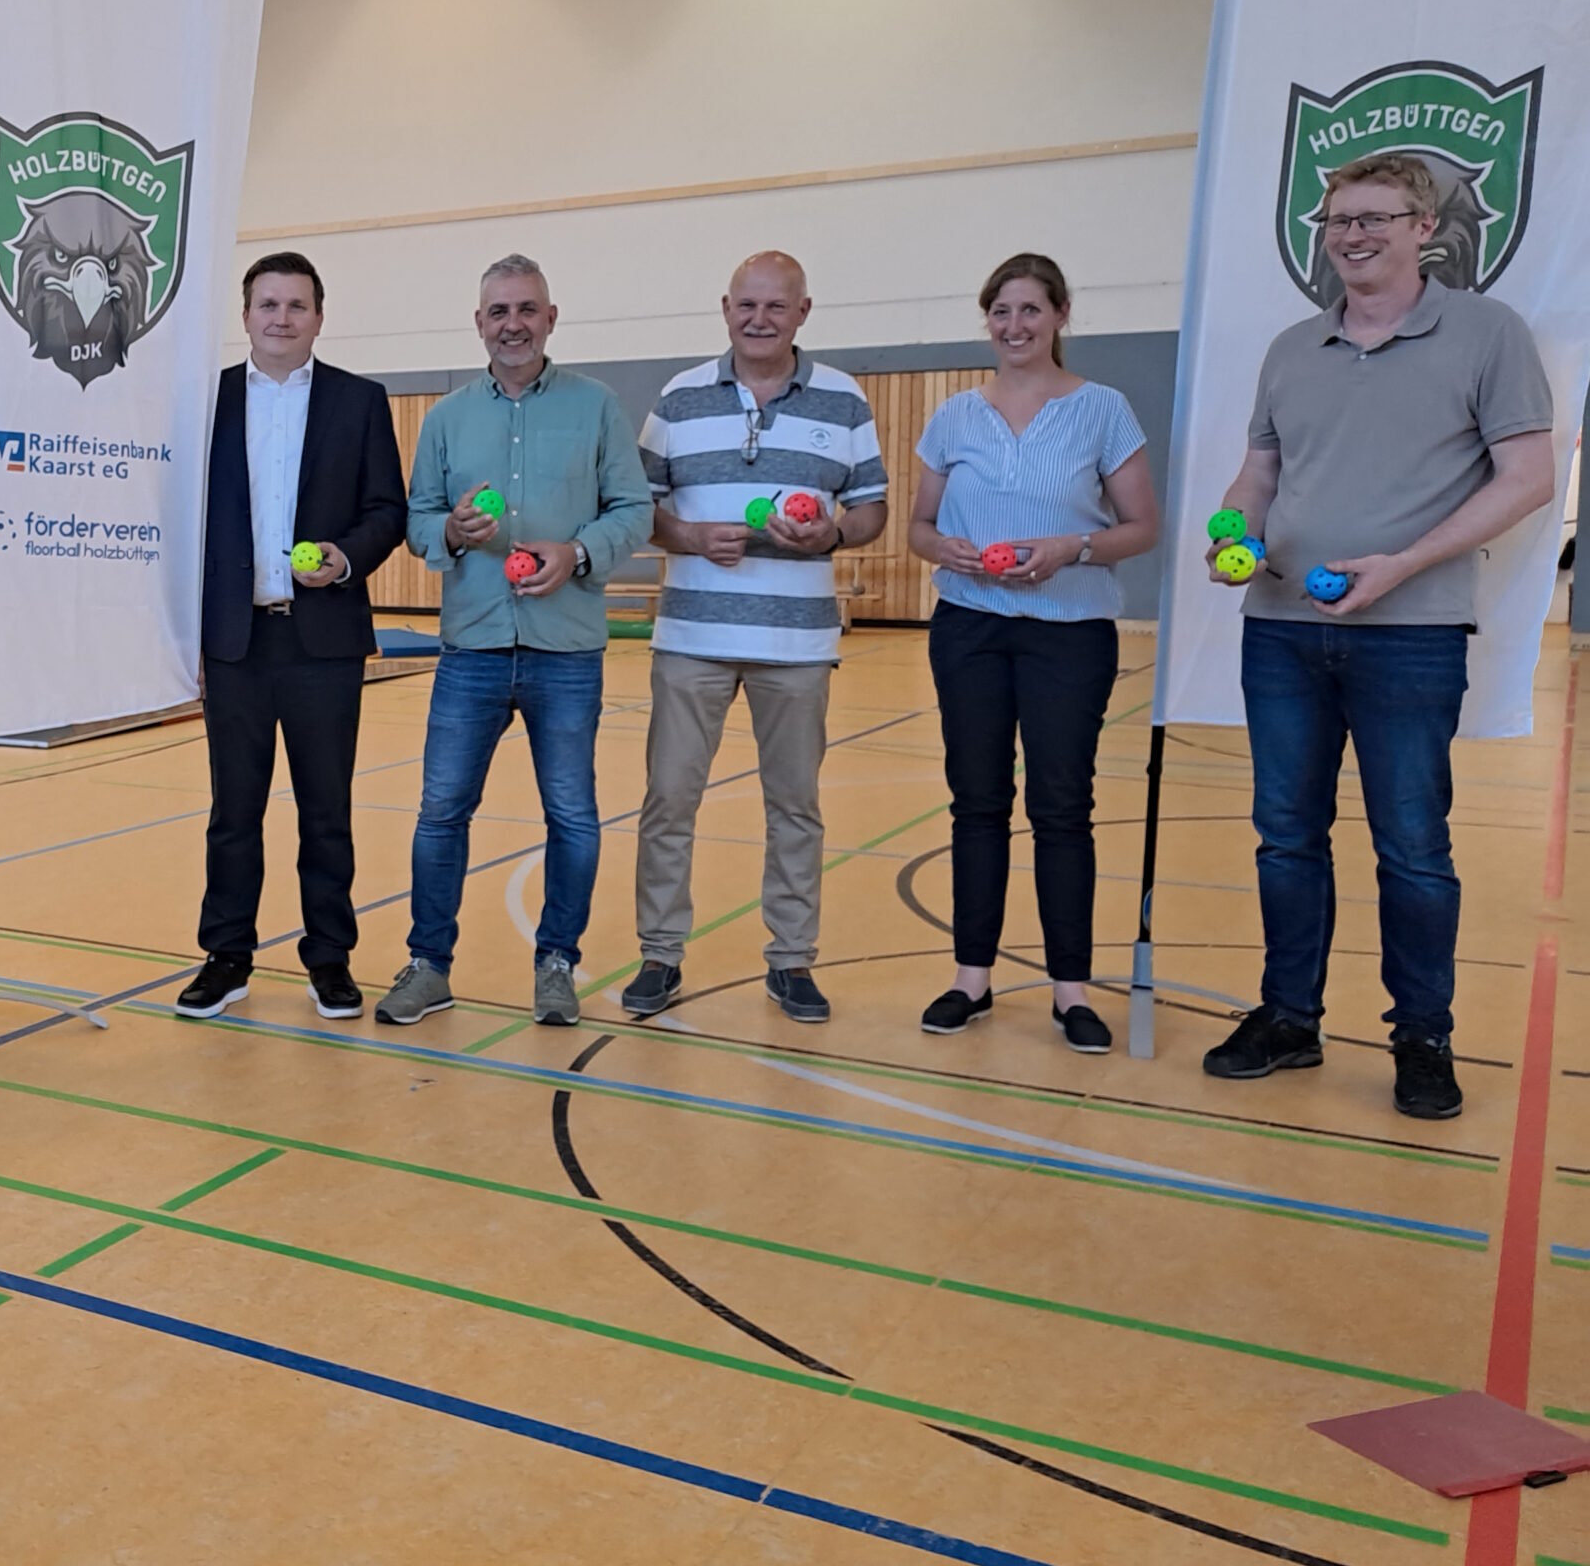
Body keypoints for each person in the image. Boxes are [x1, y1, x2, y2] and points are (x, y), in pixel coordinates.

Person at [1200, 150, 1553, 1119]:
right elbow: (1258, 475)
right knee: (1285, 837)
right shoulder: (1291, 348)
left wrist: (1400, 565)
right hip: (1280, 630)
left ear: (1423, 229)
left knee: (1412, 847)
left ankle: (1422, 1036)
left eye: (1374, 218)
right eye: (1338, 220)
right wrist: (1233, 537)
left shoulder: (1486, 332)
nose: (1351, 236)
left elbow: (1529, 479)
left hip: (1411, 634)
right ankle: (1288, 1018)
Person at [379, 252, 651, 1029]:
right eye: (499, 312)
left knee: (572, 816)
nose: (513, 325)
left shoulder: (597, 407)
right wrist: (452, 531)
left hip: (567, 650)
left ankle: (557, 963)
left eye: (527, 309)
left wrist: (578, 554)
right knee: (441, 813)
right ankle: (429, 966)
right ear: (479, 323)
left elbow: (633, 509)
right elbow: (417, 518)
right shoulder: (446, 417)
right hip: (472, 648)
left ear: (551, 318)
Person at [628, 251, 889, 1026]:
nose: (760, 318)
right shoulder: (678, 398)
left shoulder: (843, 398)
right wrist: (689, 535)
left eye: (777, 306)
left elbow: (871, 509)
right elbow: (637, 507)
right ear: (726, 308)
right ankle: (659, 953)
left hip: (798, 646)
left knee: (795, 808)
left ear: (802, 312)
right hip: (692, 637)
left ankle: (792, 961)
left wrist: (831, 534)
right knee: (669, 801)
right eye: (747, 304)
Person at [907, 253, 1157, 1053]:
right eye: (1001, 312)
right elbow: (919, 528)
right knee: (976, 801)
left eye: (1029, 310)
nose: (1014, 326)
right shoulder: (954, 416)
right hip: (969, 629)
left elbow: (1141, 527)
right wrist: (945, 550)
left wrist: (1069, 548)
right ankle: (970, 978)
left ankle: (1070, 991)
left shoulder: (1103, 409)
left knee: (1062, 806)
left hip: (1069, 634)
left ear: (1059, 315)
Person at [176, 250, 407, 1023]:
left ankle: (329, 957)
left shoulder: (359, 401)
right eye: (268, 304)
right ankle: (226, 955)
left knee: (326, 811)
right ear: (245, 316)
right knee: (232, 812)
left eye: (297, 305)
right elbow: (179, 518)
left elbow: (387, 509)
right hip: (234, 643)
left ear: (319, 316)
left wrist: (346, 557)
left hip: (324, 643)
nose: (282, 318)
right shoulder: (203, 403)